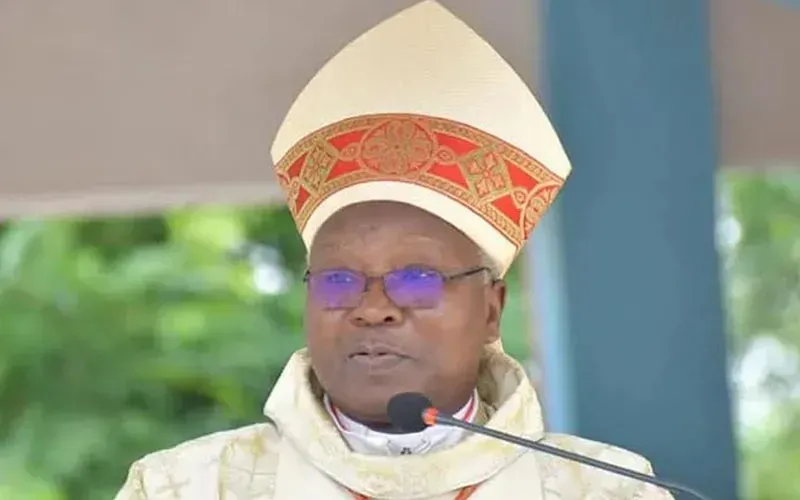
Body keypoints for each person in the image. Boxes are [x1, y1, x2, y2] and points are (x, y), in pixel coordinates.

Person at [114, 2, 674, 498]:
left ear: (490, 310)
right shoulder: (190, 487)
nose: (372, 307)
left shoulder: (606, 490)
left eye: (417, 278)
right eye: (338, 280)